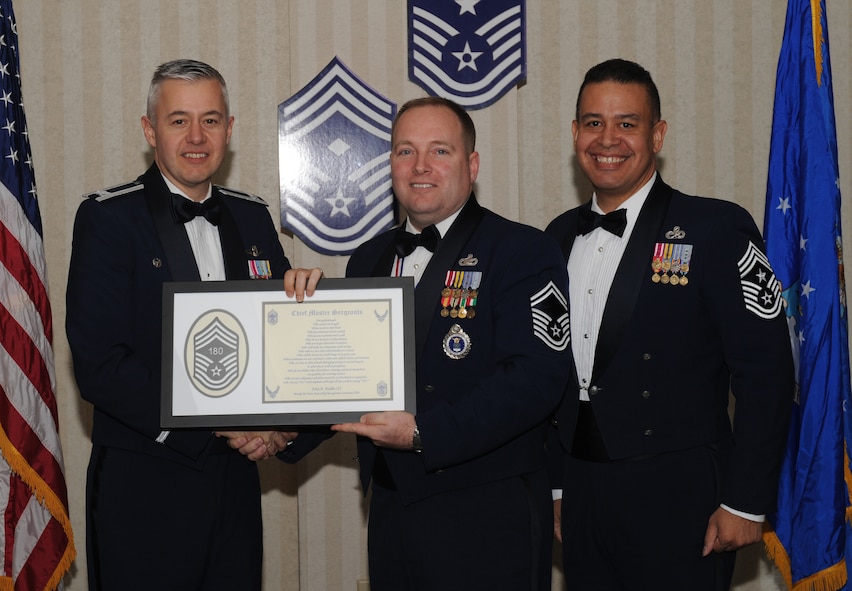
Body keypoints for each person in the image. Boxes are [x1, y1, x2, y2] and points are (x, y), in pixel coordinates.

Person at [280, 96, 571, 590]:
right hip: (392, 507)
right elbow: (352, 383)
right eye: (404, 151)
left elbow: (535, 380)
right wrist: (282, 434)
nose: (420, 167)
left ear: (471, 164)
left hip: (488, 511)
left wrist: (423, 433)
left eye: (440, 151)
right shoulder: (367, 259)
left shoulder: (523, 251)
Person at [66, 59, 320, 591]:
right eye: (179, 120)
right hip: (143, 486)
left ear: (230, 129)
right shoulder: (109, 219)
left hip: (233, 488)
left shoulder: (253, 218)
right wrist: (222, 423)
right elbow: (101, 364)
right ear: (149, 130)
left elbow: (275, 349)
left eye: (211, 119)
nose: (197, 137)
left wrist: (285, 425)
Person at [545, 58, 793, 590]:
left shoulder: (716, 228)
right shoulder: (557, 236)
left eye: (626, 123)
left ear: (657, 135)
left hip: (681, 497)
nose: (607, 139)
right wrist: (560, 489)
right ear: (574, 133)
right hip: (584, 493)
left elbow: (766, 372)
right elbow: (552, 378)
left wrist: (745, 502)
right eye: (593, 122)